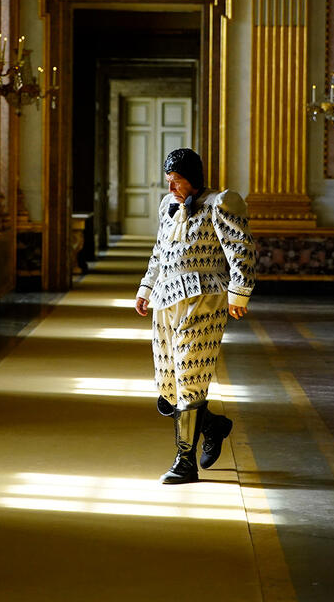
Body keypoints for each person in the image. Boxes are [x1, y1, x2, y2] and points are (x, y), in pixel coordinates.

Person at [134, 148, 255, 484]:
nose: (171, 187)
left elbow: (241, 248)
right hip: (165, 299)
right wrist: (146, 288)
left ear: (193, 178)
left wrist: (239, 292)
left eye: (177, 181)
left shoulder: (221, 203)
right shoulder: (167, 205)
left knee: (191, 377)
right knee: (167, 384)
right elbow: (159, 251)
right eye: (168, 181)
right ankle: (213, 425)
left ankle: (184, 461)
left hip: (203, 297)